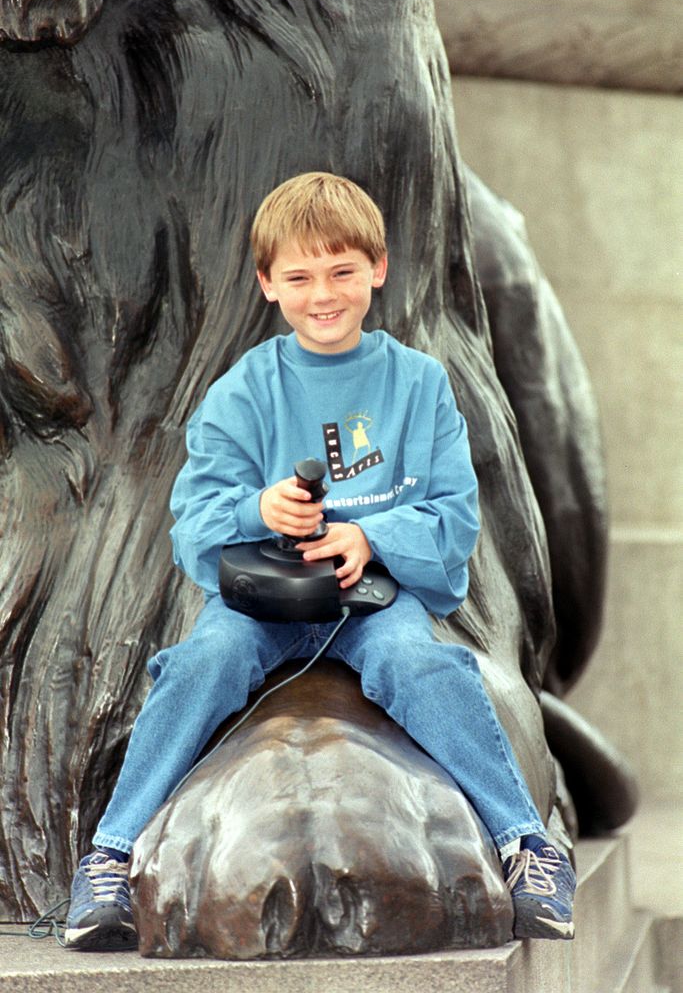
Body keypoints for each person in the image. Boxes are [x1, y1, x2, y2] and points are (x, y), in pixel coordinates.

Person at [64, 172, 576, 951]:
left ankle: (527, 845)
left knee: (425, 665)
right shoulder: (241, 392)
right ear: (268, 284)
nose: (322, 294)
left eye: (341, 271)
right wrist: (256, 510)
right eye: (299, 277)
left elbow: (452, 514)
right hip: (264, 599)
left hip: (372, 599)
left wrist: (369, 537)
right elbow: (194, 522)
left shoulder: (419, 384)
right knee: (203, 660)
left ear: (377, 268)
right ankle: (109, 856)